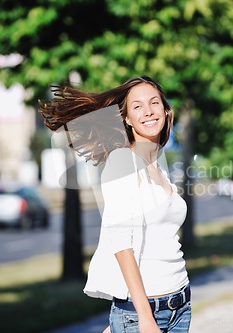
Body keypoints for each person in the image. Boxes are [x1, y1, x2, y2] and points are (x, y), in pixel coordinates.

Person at [39, 76, 191, 333]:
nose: (148, 111)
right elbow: (121, 243)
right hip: (145, 311)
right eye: (138, 106)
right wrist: (143, 317)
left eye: (154, 103)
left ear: (166, 111)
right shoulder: (123, 161)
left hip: (180, 304)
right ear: (127, 119)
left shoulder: (158, 166)